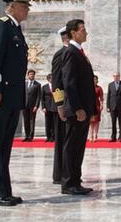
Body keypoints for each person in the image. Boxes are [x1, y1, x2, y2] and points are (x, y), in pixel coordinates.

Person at [0, 0, 30, 206]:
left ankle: (4, 189)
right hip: (0, 96)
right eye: (24, 5)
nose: (27, 9)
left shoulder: (16, 30)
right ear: (12, 6)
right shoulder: (0, 26)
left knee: (4, 145)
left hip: (12, 97)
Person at [60, 19, 95, 195]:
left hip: (83, 108)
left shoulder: (79, 52)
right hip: (77, 109)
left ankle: (75, 179)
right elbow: (70, 83)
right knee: (72, 146)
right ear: (73, 33)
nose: (85, 32)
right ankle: (68, 182)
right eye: (83, 30)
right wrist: (78, 108)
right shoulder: (71, 53)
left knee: (78, 146)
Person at [50, 26, 71, 185]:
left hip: (72, 104)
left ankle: (68, 172)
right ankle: (60, 174)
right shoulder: (60, 54)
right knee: (62, 141)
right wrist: (60, 104)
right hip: (64, 105)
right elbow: (56, 81)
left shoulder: (72, 53)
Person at [106, 72, 121, 142]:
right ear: (113, 77)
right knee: (113, 122)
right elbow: (108, 96)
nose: (116, 77)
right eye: (115, 76)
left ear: (119, 76)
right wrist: (108, 106)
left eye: (117, 76)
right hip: (112, 106)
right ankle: (113, 137)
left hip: (120, 106)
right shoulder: (110, 85)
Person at [21, 69, 41, 142]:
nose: (31, 75)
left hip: (33, 106)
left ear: (34, 75)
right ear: (28, 75)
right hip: (25, 105)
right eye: (30, 74)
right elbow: (22, 95)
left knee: (32, 121)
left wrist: (36, 106)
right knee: (26, 121)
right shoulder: (24, 84)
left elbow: (39, 96)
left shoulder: (37, 85)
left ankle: (31, 136)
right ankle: (26, 135)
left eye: (32, 74)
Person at [41, 73, 57, 142]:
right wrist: (43, 107)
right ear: (48, 79)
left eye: (52, 78)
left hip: (54, 107)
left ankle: (53, 137)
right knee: (48, 123)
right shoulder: (44, 87)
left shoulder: (56, 87)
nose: (51, 79)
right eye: (50, 78)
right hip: (47, 107)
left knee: (54, 123)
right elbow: (42, 98)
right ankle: (48, 136)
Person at [88, 76, 103, 142]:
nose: (94, 81)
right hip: (90, 106)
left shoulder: (99, 88)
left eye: (95, 79)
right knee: (91, 122)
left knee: (96, 121)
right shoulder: (88, 88)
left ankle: (95, 135)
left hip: (96, 105)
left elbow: (101, 98)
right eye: (93, 79)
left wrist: (102, 105)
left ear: (97, 80)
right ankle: (90, 135)